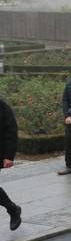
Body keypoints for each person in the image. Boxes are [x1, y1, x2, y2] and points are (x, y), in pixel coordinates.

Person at [0, 98, 21, 231]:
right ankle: (13, 209)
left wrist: (8, 156)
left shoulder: (2, 107)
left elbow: (11, 131)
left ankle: (13, 210)